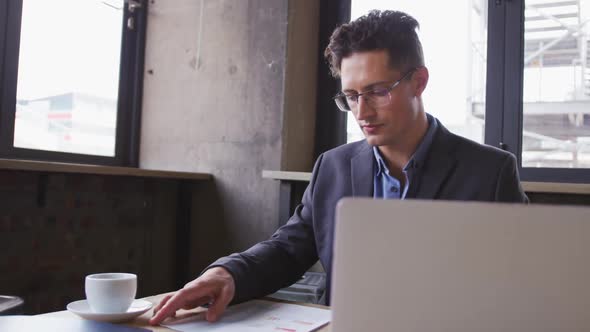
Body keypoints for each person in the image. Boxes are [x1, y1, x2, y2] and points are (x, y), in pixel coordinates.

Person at [149, 10, 528, 325]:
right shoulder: (333, 166)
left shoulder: (490, 173)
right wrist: (227, 273)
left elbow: (517, 285)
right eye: (351, 96)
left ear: (419, 82)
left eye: (378, 91)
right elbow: (289, 248)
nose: (362, 112)